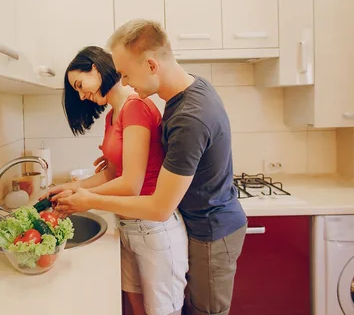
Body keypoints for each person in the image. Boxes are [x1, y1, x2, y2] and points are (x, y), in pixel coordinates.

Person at [53, 20, 248, 315]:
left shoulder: (189, 117)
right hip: (194, 220)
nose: (125, 83)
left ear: (152, 65)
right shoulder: (184, 95)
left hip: (211, 228)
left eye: (126, 74)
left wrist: (88, 200)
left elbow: (159, 208)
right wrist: (123, 159)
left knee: (203, 312)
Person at [53, 46, 188, 315]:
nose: (82, 95)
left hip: (154, 229)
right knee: (137, 309)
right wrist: (69, 188)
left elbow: (131, 185)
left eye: (80, 85)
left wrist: (87, 200)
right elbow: (112, 173)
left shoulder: (135, 107)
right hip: (129, 226)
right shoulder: (113, 114)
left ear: (95, 67)